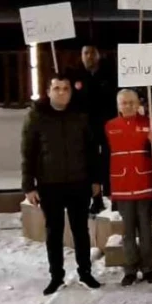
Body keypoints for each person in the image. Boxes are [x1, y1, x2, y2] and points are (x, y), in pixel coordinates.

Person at [21, 75, 103, 295]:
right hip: (50, 183)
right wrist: (28, 185)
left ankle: (85, 272)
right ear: (48, 91)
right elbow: (28, 153)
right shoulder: (37, 116)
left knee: (80, 230)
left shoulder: (81, 115)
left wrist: (96, 179)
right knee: (54, 231)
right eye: (56, 88)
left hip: (79, 181)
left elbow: (92, 149)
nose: (61, 92)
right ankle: (56, 276)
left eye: (65, 88)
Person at [105, 89, 152, 286]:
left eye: (131, 102)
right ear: (118, 105)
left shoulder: (149, 124)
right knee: (127, 231)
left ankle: (148, 269)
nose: (128, 106)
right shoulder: (109, 126)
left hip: (143, 184)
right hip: (122, 186)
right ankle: (130, 269)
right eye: (124, 103)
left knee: (146, 230)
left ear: (138, 104)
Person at [67, 44, 117, 211]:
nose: (89, 56)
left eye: (92, 53)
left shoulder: (110, 73)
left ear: (98, 55)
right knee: (90, 161)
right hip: (85, 127)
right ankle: (96, 198)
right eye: (85, 53)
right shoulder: (75, 75)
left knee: (111, 158)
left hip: (108, 124)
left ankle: (113, 195)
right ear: (81, 55)